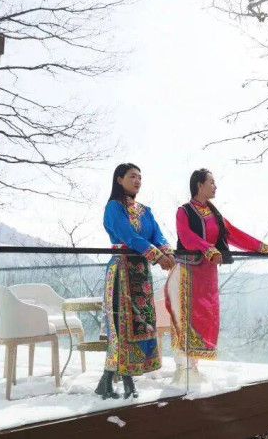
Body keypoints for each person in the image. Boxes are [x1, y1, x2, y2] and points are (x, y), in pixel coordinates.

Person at [165, 169, 268, 383]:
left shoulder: (214, 215)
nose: (215, 187)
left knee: (205, 318)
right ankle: (183, 369)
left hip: (207, 276)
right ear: (199, 185)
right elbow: (186, 237)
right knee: (185, 319)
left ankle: (192, 367)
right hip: (187, 274)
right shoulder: (184, 211)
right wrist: (208, 249)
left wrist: (260, 247)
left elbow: (234, 234)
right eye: (211, 182)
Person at [96, 163, 175, 399]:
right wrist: (156, 255)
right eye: (132, 176)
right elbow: (128, 236)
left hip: (141, 274)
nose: (138, 181)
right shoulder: (113, 207)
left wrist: (166, 250)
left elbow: (157, 234)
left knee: (141, 326)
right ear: (119, 179)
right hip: (121, 271)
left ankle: (106, 382)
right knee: (122, 328)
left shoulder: (145, 210)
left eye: (140, 177)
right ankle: (127, 382)